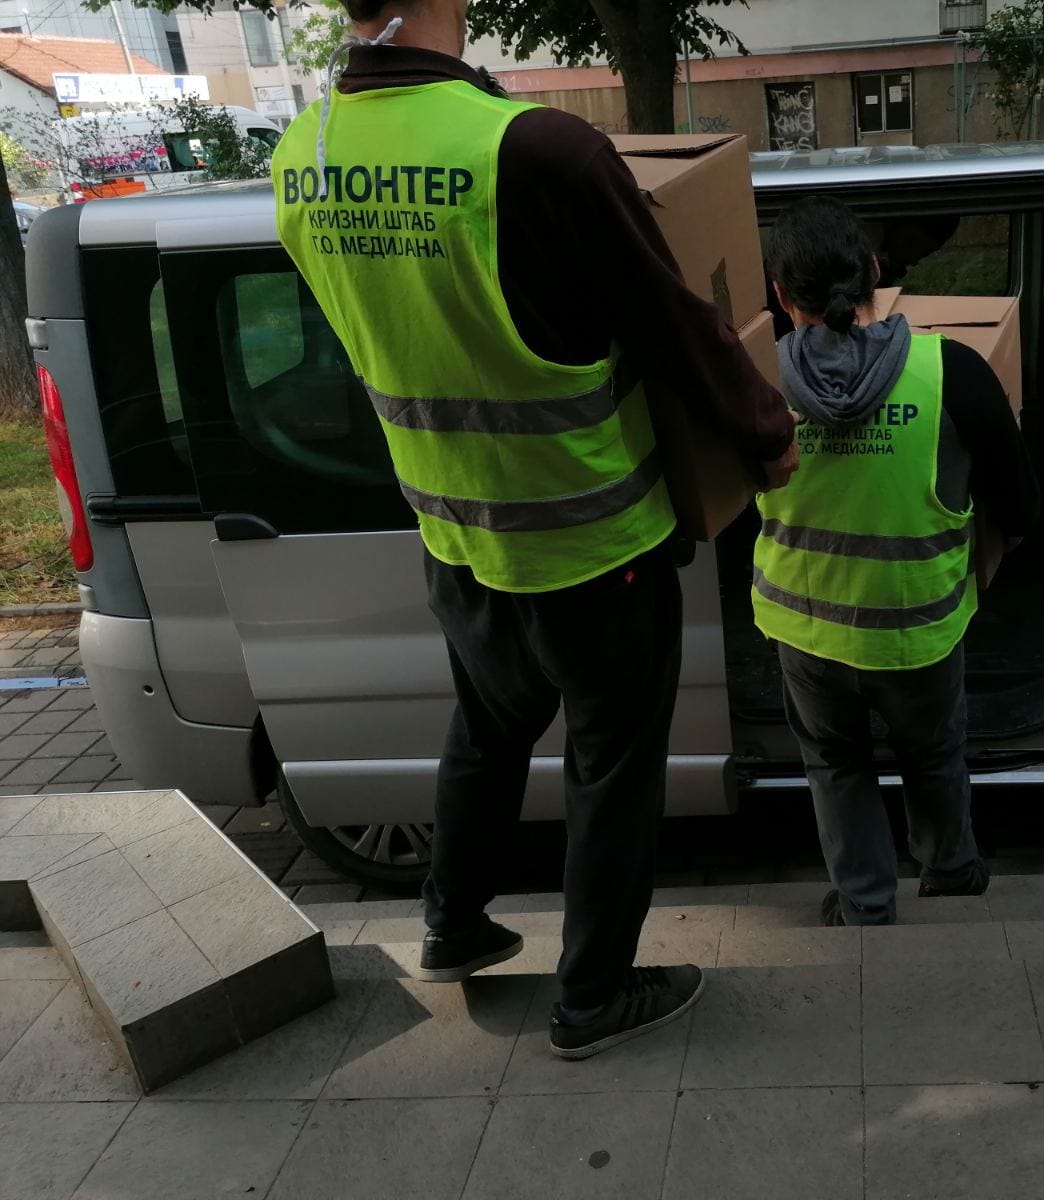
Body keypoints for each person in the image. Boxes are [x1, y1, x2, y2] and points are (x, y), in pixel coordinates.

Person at [271, 0, 797, 1059]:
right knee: (612, 767)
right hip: (590, 542)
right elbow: (674, 323)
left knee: (487, 726)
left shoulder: (302, 154)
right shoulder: (536, 151)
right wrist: (765, 434)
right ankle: (591, 997)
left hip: (456, 535)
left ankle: (453, 924)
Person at [757, 197, 1038, 926]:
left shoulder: (754, 382)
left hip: (807, 630)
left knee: (835, 763)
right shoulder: (954, 371)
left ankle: (865, 906)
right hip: (919, 630)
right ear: (876, 275)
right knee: (933, 752)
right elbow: (1021, 508)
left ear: (781, 295)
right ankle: (950, 872)